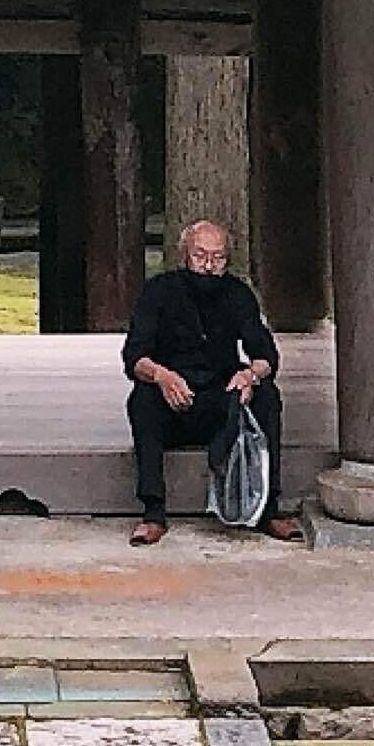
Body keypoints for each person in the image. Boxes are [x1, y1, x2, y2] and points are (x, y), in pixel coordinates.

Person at [121, 216, 303, 544]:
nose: (208, 265)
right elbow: (134, 357)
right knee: (142, 399)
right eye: (200, 256)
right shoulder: (159, 291)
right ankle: (153, 512)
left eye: (217, 258)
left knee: (268, 397)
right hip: (173, 396)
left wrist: (249, 375)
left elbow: (266, 356)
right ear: (185, 255)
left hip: (221, 399)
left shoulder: (237, 294)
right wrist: (161, 376)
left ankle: (269, 508)